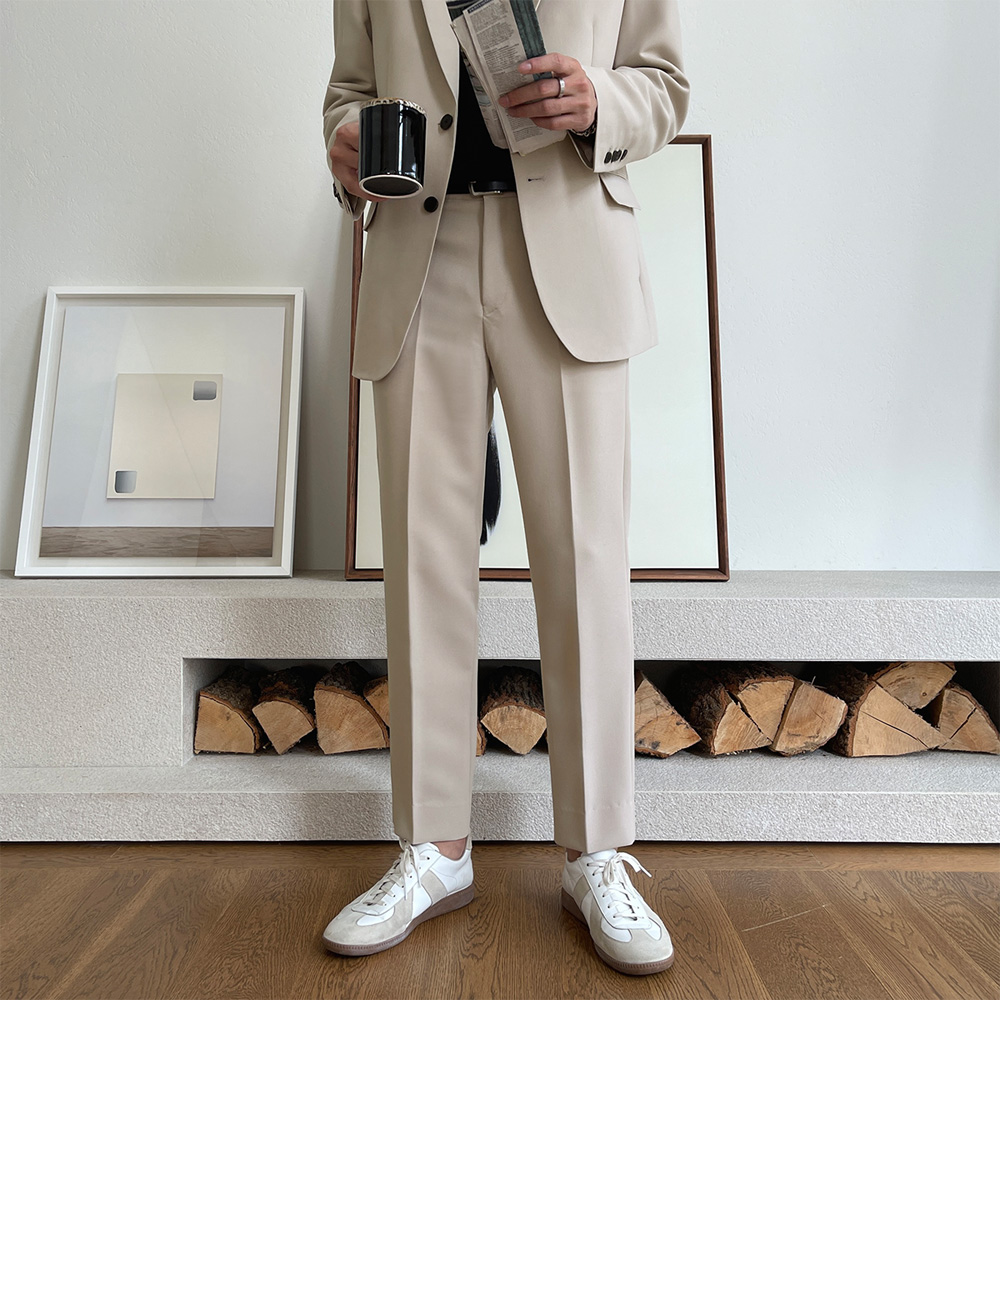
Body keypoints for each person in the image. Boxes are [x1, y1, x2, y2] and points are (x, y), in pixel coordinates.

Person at [320, 0, 689, 976]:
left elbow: (664, 86)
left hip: (567, 246)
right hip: (421, 249)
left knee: (584, 561)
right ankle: (434, 847)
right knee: (423, 561)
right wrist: (345, 144)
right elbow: (347, 95)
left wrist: (597, 98)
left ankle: (596, 852)